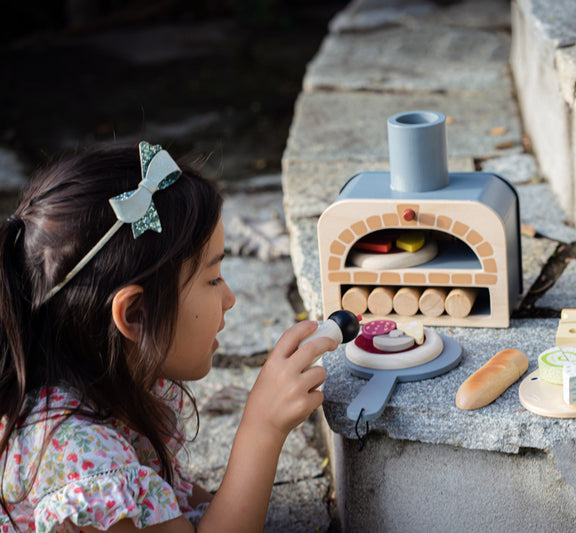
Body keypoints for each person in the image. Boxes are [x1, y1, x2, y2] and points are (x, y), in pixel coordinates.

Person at [0, 142, 334, 532]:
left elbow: (185, 509)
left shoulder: (112, 379)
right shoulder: (78, 465)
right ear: (134, 314)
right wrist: (262, 429)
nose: (230, 298)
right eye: (212, 278)